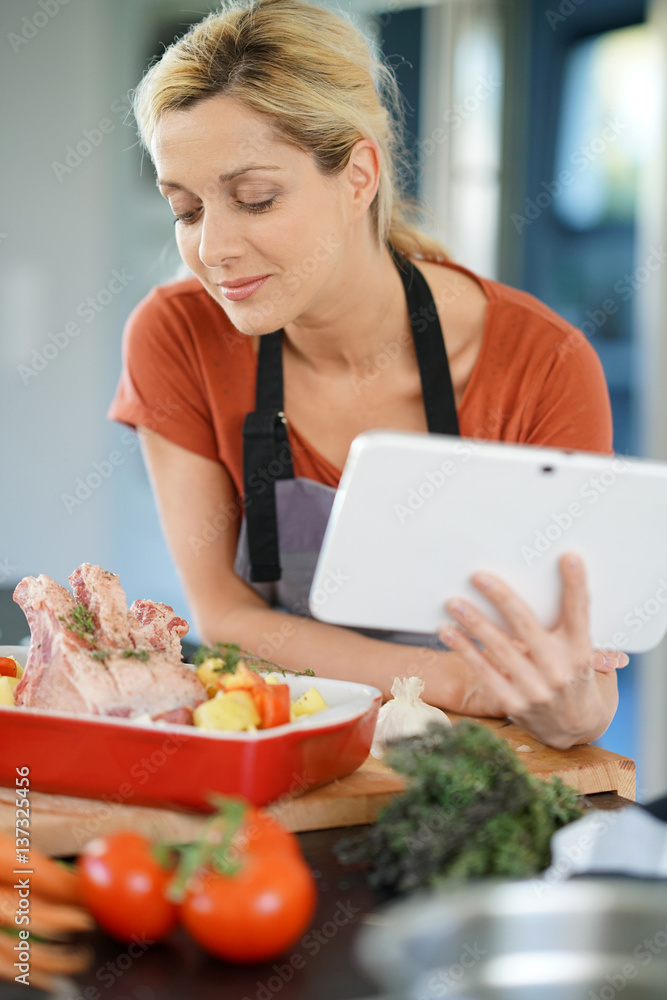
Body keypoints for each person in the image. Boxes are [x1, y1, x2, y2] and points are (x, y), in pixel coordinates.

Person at [109, 0, 626, 749]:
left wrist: (575, 711)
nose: (213, 248)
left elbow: (583, 672)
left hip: (475, 767)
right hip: (287, 744)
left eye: (255, 199)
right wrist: (452, 682)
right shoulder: (178, 336)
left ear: (358, 176)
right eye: (186, 209)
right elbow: (224, 617)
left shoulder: (541, 364)